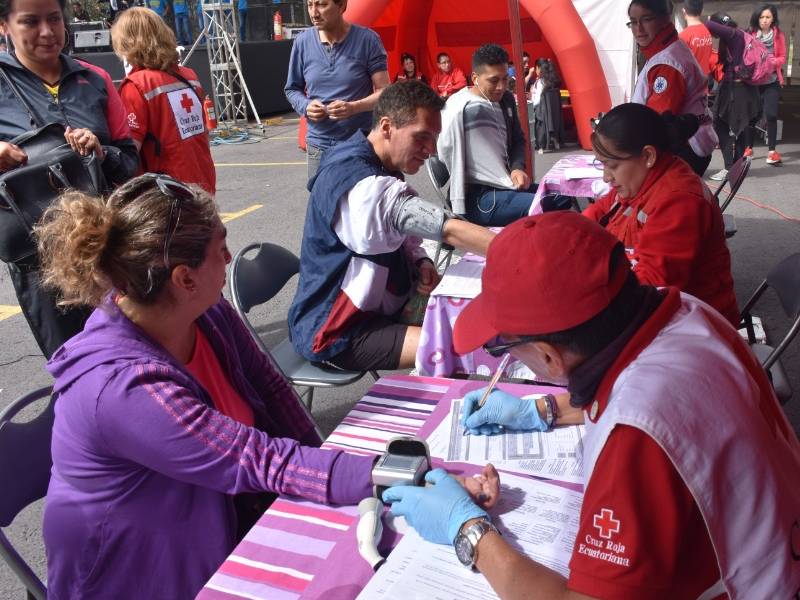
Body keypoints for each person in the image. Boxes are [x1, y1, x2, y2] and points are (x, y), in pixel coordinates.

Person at [35, 174, 500, 597]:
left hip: (218, 519)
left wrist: (327, 471)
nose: (230, 257)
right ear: (184, 278)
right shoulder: (122, 388)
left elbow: (273, 394)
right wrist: (406, 474)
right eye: (221, 247)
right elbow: (256, 458)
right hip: (145, 574)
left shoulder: (205, 312)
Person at [382, 210, 800, 600]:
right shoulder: (686, 312)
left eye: (505, 348)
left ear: (546, 354)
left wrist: (471, 534)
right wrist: (544, 410)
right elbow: (684, 412)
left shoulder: (636, 436)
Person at [288, 80, 496, 372]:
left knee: (479, 319)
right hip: (336, 330)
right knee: (461, 343)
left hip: (376, 308)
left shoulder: (380, 163)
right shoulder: (355, 180)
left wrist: (421, 260)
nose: (431, 149)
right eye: (422, 137)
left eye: (434, 138)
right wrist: (512, 251)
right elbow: (439, 226)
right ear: (387, 127)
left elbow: (403, 233)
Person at [0, 0, 140, 358]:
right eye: (30, 22)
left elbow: (128, 160)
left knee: (132, 351)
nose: (47, 32)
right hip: (39, 259)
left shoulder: (95, 79)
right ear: (4, 26)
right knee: (76, 363)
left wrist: (100, 152)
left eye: (54, 19)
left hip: (106, 247)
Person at [583, 103, 739, 325]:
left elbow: (652, 288)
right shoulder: (641, 182)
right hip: (662, 310)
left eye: (613, 166)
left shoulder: (679, 200)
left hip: (693, 327)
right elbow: (597, 214)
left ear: (648, 155)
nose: (606, 177)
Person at [439, 44, 570, 226]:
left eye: (505, 79)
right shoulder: (461, 108)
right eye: (493, 80)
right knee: (548, 205)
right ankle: (527, 249)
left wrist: (517, 167)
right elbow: (443, 149)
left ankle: (531, 247)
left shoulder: (506, 99)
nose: (501, 87)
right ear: (475, 78)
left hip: (506, 184)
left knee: (562, 197)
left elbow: (518, 139)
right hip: (479, 197)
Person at [111, 7, 216, 194]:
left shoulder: (136, 86)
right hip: (202, 187)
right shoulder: (189, 76)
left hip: (166, 196)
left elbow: (128, 156)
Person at [284, 0, 389, 182]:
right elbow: (292, 89)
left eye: (322, 5)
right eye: (310, 5)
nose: (314, 13)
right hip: (319, 146)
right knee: (322, 207)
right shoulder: (302, 42)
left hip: (359, 144)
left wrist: (354, 107)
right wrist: (306, 106)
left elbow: (385, 92)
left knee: (361, 207)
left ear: (342, 6)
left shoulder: (367, 40)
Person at [627, 0, 717, 176]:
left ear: (664, 19)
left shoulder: (667, 64)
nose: (639, 28)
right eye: (633, 21)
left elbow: (658, 122)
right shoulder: (670, 48)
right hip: (694, 141)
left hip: (681, 148)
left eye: (646, 19)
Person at [706, 12, 761, 182]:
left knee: (735, 125)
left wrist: (707, 20)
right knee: (726, 123)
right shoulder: (733, 37)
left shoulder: (733, 33)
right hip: (732, 86)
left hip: (739, 88)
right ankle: (734, 166)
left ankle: (732, 167)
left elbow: (710, 26)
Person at [748, 3, 786, 165]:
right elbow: (745, 56)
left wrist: (771, 62)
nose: (764, 20)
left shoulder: (779, 36)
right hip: (754, 82)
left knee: (771, 114)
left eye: (768, 17)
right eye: (762, 17)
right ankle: (748, 148)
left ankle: (772, 151)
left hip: (772, 81)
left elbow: (783, 57)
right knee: (751, 115)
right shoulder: (750, 34)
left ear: (773, 19)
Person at [531, 59, 563, 154]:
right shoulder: (553, 81)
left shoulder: (540, 82)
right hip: (553, 113)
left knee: (536, 120)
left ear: (538, 68)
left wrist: (531, 107)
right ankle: (556, 140)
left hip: (542, 111)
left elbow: (536, 101)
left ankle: (540, 145)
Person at [678, 0, 715, 77]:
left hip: (692, 81)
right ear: (702, 11)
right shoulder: (707, 31)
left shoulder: (683, 36)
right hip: (706, 79)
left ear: (684, 11)